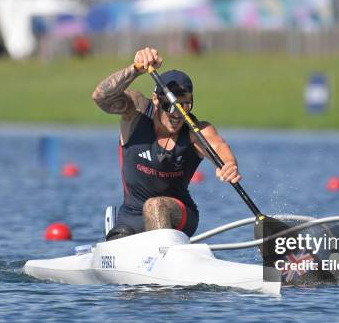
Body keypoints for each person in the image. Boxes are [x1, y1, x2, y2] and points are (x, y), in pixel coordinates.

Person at [92, 47, 242, 240]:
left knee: (155, 205)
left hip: (179, 215)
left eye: (184, 105)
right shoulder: (135, 111)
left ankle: (164, 256)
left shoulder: (197, 130)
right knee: (124, 235)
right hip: (130, 220)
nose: (177, 114)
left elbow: (219, 146)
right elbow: (101, 97)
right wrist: (136, 69)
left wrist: (230, 165)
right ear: (155, 99)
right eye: (169, 105)